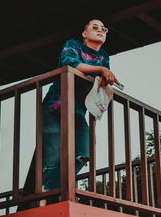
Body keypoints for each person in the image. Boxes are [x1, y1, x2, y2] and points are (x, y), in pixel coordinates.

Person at [40, 19, 119, 205]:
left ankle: (48, 189)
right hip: (55, 107)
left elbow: (101, 81)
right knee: (54, 160)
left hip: (77, 112)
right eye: (95, 27)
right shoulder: (73, 45)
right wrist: (101, 70)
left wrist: (106, 81)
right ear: (85, 33)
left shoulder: (104, 57)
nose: (100, 30)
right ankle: (47, 201)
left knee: (83, 154)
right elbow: (71, 64)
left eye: (104, 29)